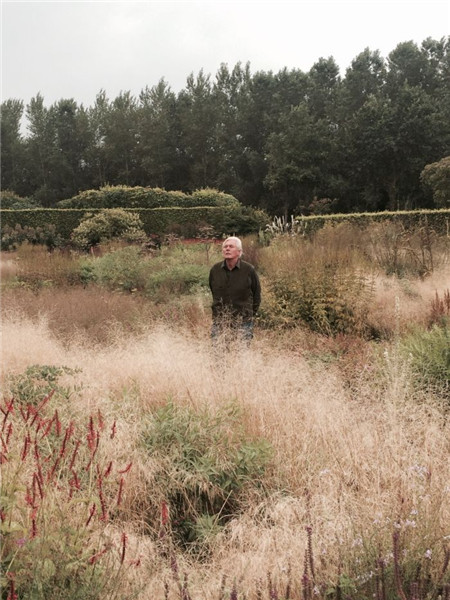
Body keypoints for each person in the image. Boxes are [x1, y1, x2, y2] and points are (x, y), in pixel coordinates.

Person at [209, 236, 261, 342]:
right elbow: (213, 291)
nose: (227, 249)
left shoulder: (249, 270)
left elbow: (256, 295)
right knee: (218, 350)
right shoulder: (215, 270)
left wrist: (249, 314)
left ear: (239, 251)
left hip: (243, 321)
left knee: (241, 350)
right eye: (225, 247)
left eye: (231, 246)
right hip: (220, 321)